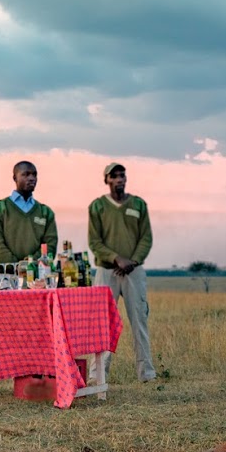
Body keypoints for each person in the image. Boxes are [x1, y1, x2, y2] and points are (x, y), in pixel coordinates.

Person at [88, 163, 156, 382]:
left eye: (122, 175)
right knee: (102, 323)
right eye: (114, 176)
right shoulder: (98, 206)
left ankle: (146, 374)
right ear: (106, 180)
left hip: (133, 272)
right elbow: (95, 242)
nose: (119, 179)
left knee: (139, 320)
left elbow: (146, 237)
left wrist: (133, 261)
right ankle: (97, 376)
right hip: (107, 271)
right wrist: (116, 258)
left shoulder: (138, 204)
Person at [0, 160, 57, 263]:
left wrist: (30, 265)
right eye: (26, 174)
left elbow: (50, 246)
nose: (32, 178)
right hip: (6, 275)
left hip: (38, 274)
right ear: (15, 178)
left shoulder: (46, 213)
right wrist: (17, 267)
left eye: (34, 175)